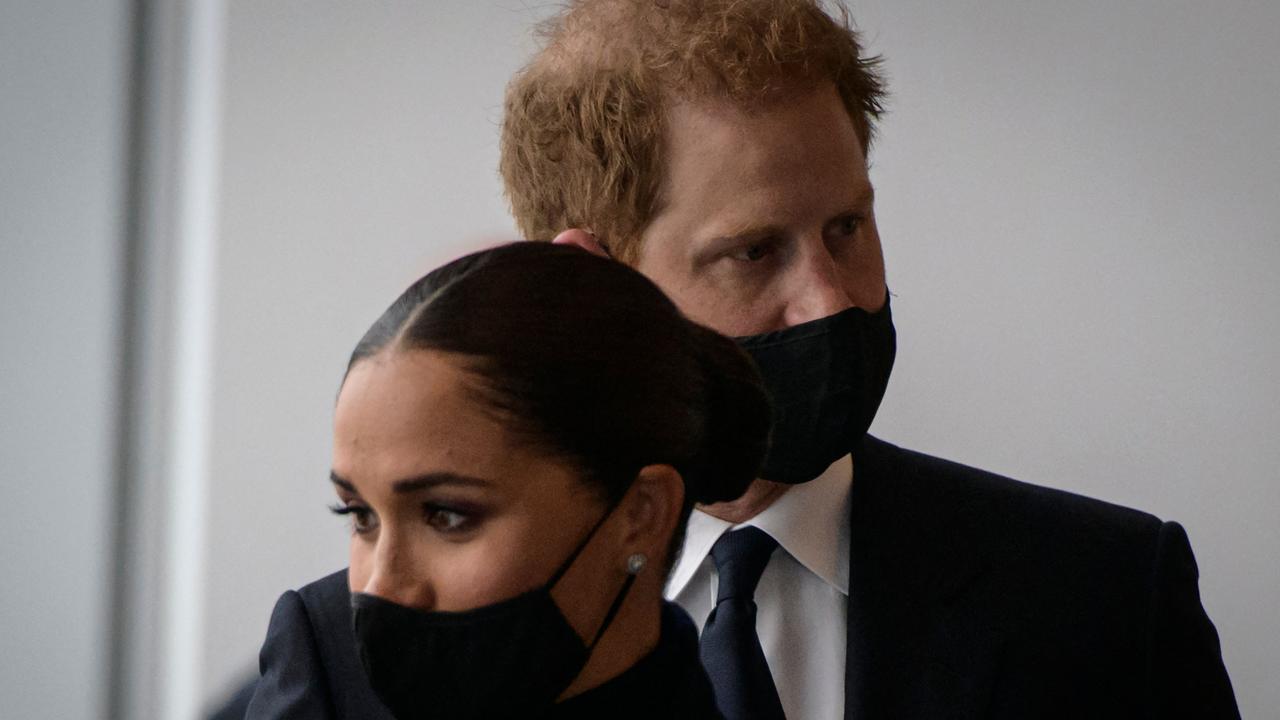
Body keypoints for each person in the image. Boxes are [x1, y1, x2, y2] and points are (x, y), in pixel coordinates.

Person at [497, 1, 1240, 718]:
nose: (832, 302)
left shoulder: (1108, 594)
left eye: (847, 227)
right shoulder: (473, 637)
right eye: (755, 252)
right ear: (594, 287)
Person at [243, 242, 772, 718]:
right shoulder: (323, 667)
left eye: (447, 515)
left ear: (640, 514)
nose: (381, 585)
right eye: (361, 516)